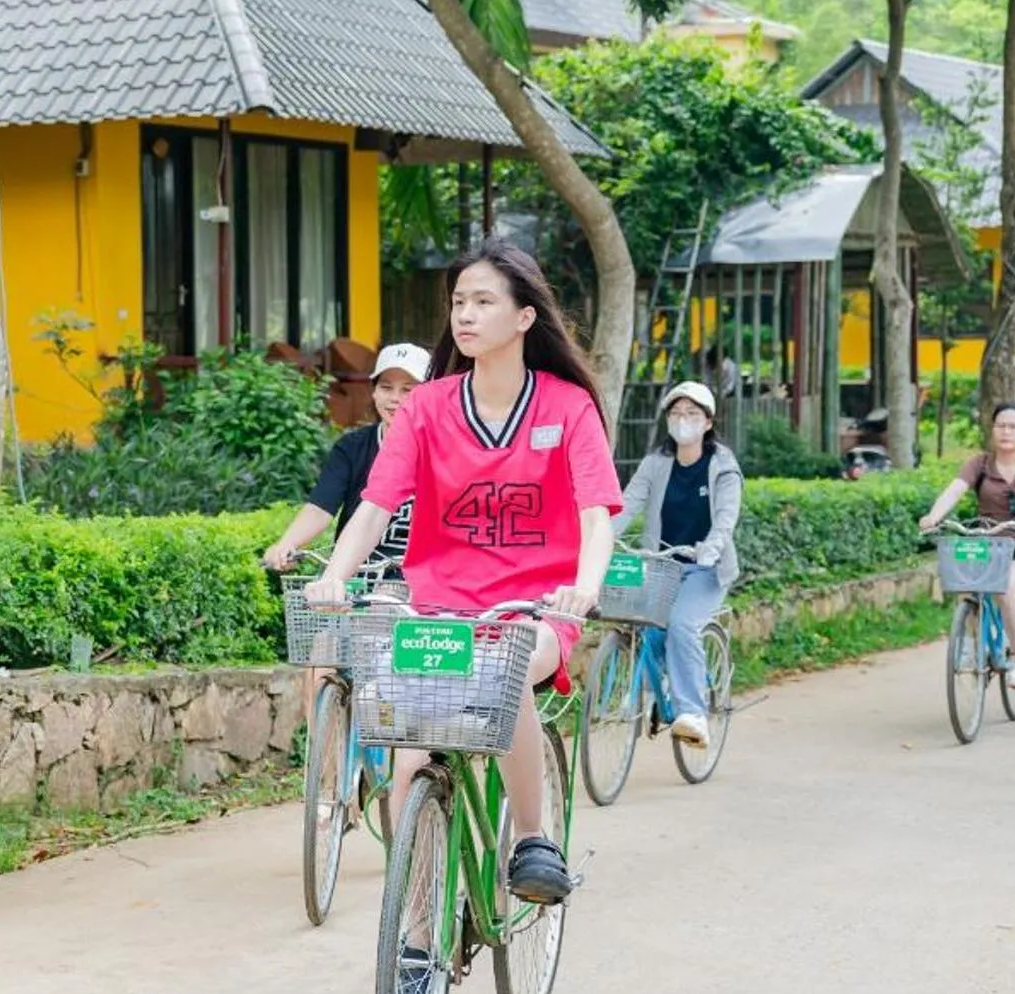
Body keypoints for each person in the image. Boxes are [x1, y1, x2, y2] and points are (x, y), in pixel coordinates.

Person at [308, 240, 621, 908]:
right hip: (438, 606)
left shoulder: (567, 407)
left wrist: (584, 588)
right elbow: (373, 509)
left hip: (534, 608)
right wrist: (336, 574)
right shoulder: (428, 407)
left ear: (524, 317)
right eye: (458, 302)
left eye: (484, 301)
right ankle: (417, 931)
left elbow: (598, 515)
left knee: (506, 677)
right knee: (410, 755)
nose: (466, 316)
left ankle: (532, 839)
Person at [612, 381, 742, 749]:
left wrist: (712, 548)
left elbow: (726, 517)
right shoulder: (656, 463)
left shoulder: (722, 467)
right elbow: (628, 503)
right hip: (662, 564)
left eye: (692, 413)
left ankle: (694, 713)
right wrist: (598, 538)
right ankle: (654, 688)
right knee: (644, 626)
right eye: (676, 413)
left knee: (683, 625)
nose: (683, 420)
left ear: (708, 422)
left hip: (705, 569)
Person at [260, 341, 431, 576]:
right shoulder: (352, 448)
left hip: (424, 585)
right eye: (386, 387)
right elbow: (320, 508)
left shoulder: (445, 450)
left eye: (408, 390)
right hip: (356, 581)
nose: (394, 399)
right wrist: (286, 544)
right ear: (373, 392)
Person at [918, 401, 1015, 691]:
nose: (1006, 431)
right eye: (1000, 425)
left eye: (1013, 426)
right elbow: (955, 490)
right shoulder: (978, 464)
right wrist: (934, 516)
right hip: (987, 542)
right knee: (965, 586)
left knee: (1005, 588)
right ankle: (971, 645)